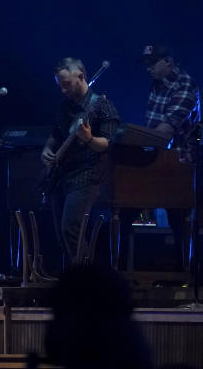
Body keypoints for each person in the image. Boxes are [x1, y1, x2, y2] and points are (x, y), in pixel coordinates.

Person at [40, 58, 119, 266]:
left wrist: (89, 139)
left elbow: (107, 143)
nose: (63, 90)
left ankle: (85, 282)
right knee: (61, 235)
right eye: (60, 86)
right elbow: (55, 135)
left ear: (81, 76)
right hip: (61, 176)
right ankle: (74, 279)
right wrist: (47, 149)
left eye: (66, 84)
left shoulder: (103, 105)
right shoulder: (64, 107)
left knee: (72, 228)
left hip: (87, 175)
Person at [136, 44, 199, 267]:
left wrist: (134, 139)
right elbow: (152, 126)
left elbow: (165, 131)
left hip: (179, 162)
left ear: (169, 61)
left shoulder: (185, 85)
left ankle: (185, 273)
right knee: (131, 211)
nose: (148, 68)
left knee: (179, 220)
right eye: (146, 63)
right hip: (157, 160)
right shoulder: (157, 85)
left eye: (152, 63)